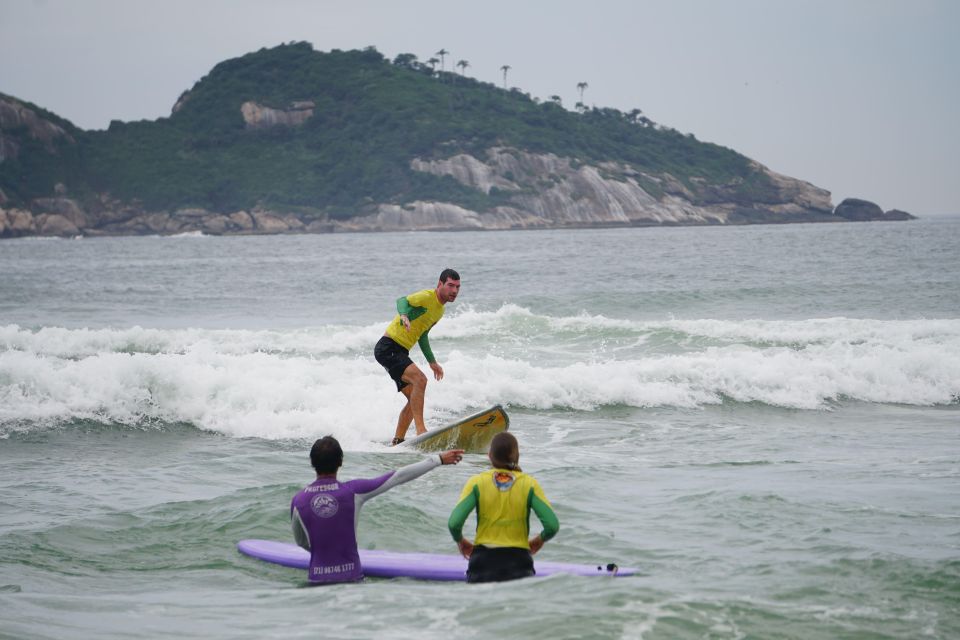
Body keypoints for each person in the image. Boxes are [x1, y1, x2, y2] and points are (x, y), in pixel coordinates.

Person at [291, 435, 464, 584]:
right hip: (351, 580)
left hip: (315, 581)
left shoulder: (298, 501)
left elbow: (302, 543)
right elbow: (398, 476)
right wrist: (437, 459)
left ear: (312, 463)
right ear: (341, 462)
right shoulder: (352, 491)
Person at [447, 432, 559, 583]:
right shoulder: (529, 484)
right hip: (519, 564)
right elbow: (552, 526)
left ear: (489, 456)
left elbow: (454, 523)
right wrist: (538, 541)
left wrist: (460, 541)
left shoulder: (476, 482)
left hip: (482, 564)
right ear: (517, 456)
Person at [374, 268, 461, 445]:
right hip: (388, 346)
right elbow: (402, 301)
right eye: (450, 285)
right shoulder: (427, 297)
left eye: (458, 287)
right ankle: (421, 430)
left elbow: (423, 335)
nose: (454, 291)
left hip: (399, 351)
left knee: (414, 395)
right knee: (420, 380)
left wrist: (432, 362)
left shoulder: (440, 311)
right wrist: (404, 315)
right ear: (440, 284)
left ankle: (398, 441)